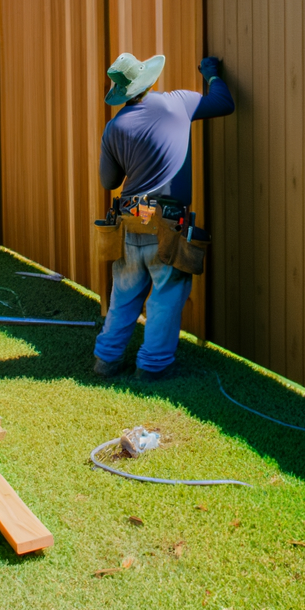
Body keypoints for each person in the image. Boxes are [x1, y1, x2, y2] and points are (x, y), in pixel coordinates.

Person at [93, 51, 234, 380]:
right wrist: (211, 74)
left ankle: (106, 361)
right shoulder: (178, 103)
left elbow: (108, 182)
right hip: (167, 223)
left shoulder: (113, 128)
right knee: (167, 295)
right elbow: (224, 102)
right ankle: (153, 366)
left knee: (124, 294)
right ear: (148, 80)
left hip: (130, 221)